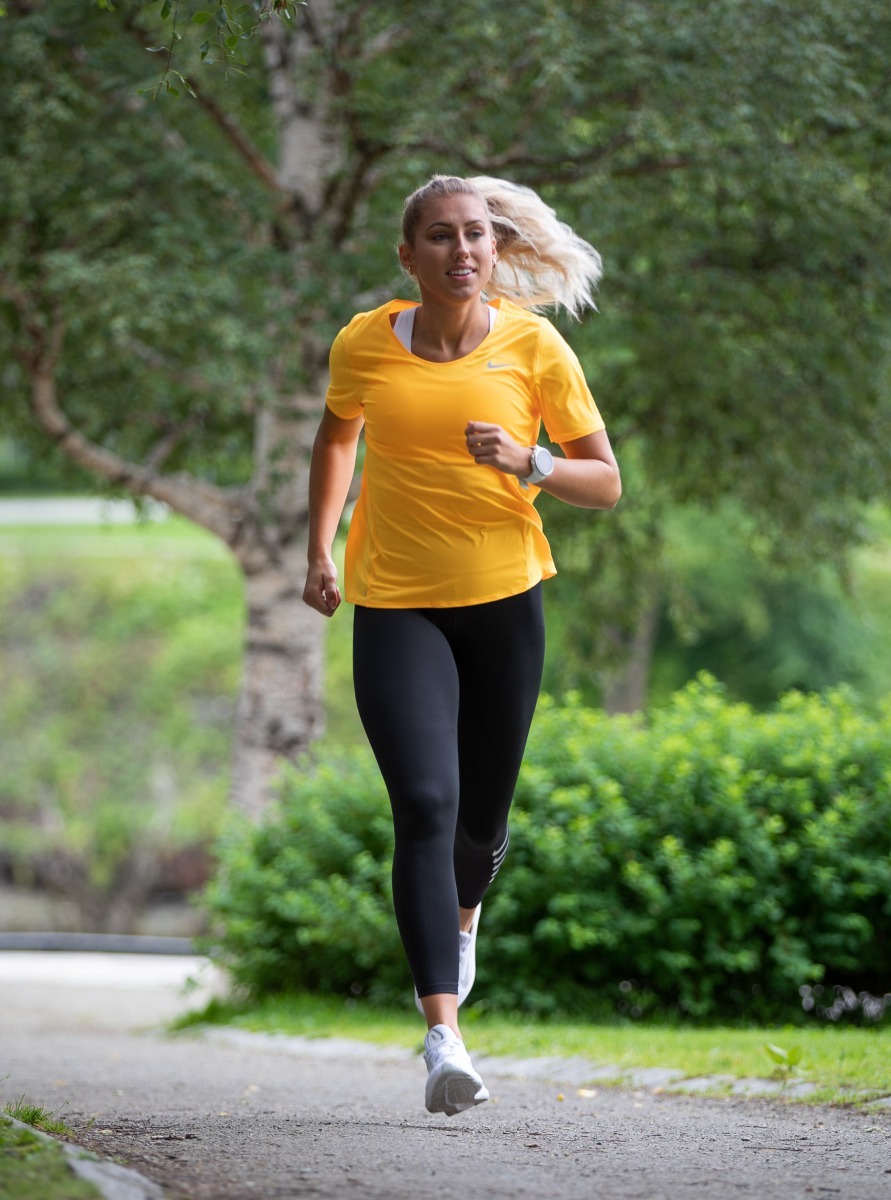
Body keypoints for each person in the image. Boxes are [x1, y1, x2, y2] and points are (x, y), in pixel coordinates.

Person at [302, 174, 621, 1117]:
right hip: (395, 603)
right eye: (439, 238)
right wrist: (318, 545)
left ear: (496, 250)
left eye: (476, 235)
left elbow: (606, 483)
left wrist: (532, 461)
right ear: (410, 258)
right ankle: (444, 1036)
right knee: (426, 805)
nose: (461, 251)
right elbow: (334, 439)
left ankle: (465, 913)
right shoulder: (365, 340)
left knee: (478, 828)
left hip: (503, 602)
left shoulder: (534, 345)